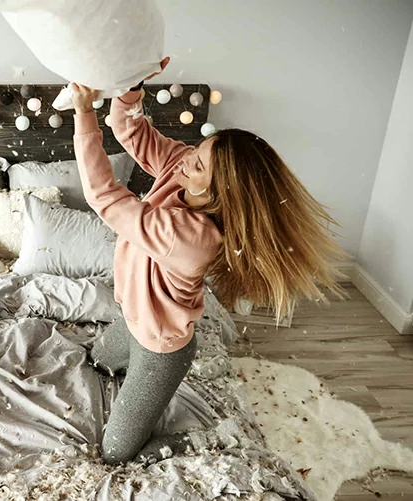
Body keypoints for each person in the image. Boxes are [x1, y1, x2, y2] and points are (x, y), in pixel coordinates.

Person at [70, 59, 346, 464]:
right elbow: (130, 129)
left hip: (161, 348)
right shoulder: (180, 170)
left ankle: (211, 436)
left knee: (117, 452)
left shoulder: (193, 238)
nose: (185, 158)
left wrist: (83, 114)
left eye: (198, 163)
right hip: (132, 323)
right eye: (197, 150)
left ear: (220, 194)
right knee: (96, 359)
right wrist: (131, 83)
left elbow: (105, 197)